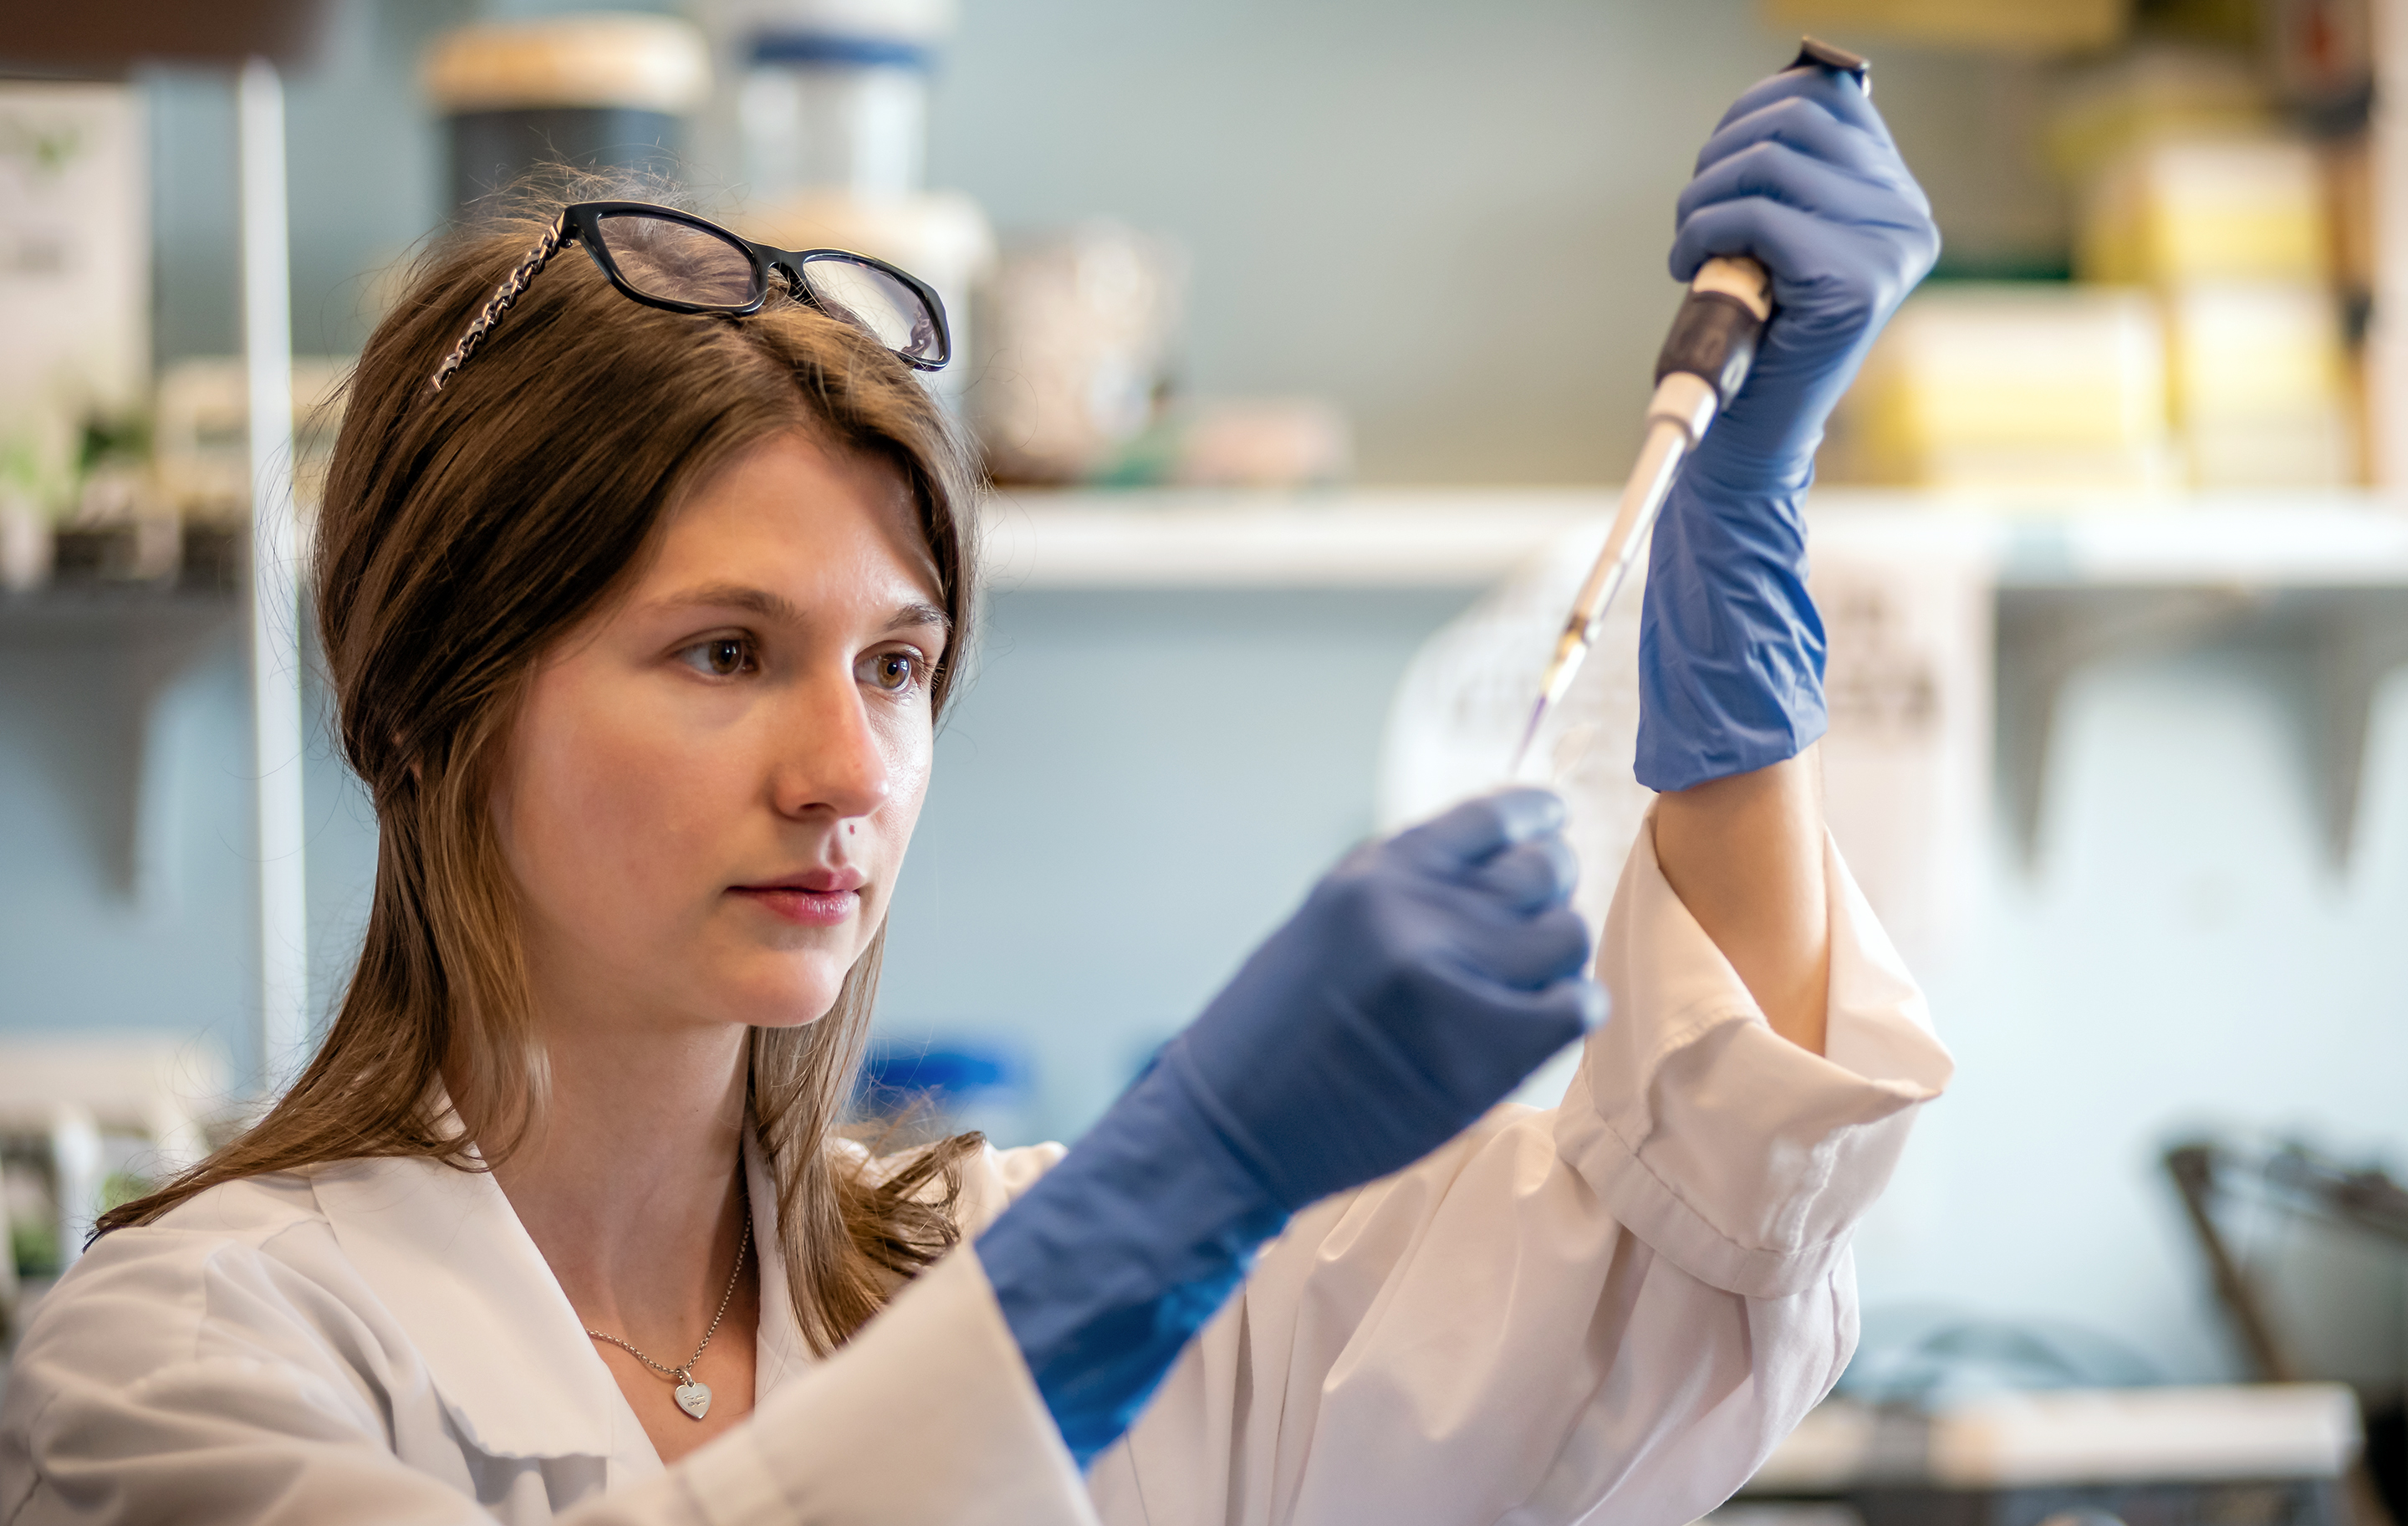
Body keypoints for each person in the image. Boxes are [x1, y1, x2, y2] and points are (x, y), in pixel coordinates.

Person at [0, 58, 1951, 1526]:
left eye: (898, 665)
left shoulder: (978, 1265)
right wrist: (1171, 1194)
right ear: (431, 699)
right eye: (724, 653)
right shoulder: (177, 1365)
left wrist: (1737, 573)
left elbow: (1670, 1283)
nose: (848, 769)